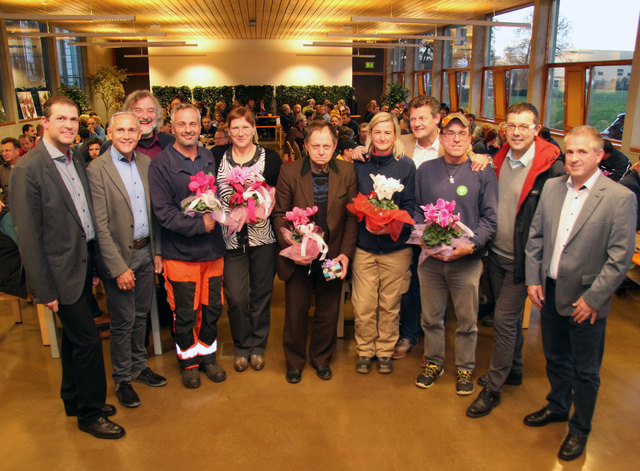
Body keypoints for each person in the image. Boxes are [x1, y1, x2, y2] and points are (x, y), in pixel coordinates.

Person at [10, 95, 125, 439]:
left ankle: (73, 398)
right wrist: (43, 290)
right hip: (59, 274)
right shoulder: (27, 170)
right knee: (89, 341)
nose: (68, 126)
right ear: (44, 122)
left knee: (74, 337)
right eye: (60, 119)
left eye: (73, 120)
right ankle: (91, 414)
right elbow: (28, 237)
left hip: (82, 262)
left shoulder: (74, 157)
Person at [524, 125, 636, 461]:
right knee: (555, 357)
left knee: (585, 371)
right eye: (569, 151)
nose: (573, 158)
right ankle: (557, 405)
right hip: (551, 291)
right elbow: (536, 238)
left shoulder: (619, 198)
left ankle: (579, 429)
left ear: (600, 155)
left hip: (587, 299)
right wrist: (533, 278)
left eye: (582, 152)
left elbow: (619, 259)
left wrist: (593, 299)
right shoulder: (553, 188)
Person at [466, 102, 564, 419]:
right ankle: (515, 370)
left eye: (525, 126)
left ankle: (493, 387)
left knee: (506, 322)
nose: (517, 132)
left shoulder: (551, 169)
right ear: (505, 128)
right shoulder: (499, 159)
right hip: (496, 255)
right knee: (503, 317)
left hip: (524, 262)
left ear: (536, 129)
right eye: (512, 125)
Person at [394, 96, 489, 360]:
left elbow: (473, 163)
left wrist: (484, 157)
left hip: (457, 240)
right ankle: (410, 334)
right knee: (412, 284)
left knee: (448, 295)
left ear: (437, 119)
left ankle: (446, 347)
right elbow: (375, 149)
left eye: (423, 117)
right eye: (412, 119)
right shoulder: (401, 143)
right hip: (415, 230)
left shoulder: (454, 144)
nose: (416, 123)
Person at [413, 113, 498, 395]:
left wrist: (472, 246)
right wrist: (424, 239)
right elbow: (415, 210)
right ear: (441, 135)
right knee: (431, 317)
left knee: (466, 320)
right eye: (450, 133)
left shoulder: (482, 171)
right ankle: (434, 362)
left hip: (467, 260)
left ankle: (465, 368)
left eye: (462, 133)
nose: (456, 138)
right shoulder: (425, 170)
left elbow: (490, 218)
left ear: (471, 137)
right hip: (431, 260)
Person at [87, 111, 167, 408]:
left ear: (139, 133)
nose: (126, 135)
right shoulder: (97, 169)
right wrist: (118, 267)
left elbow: (155, 213)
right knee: (123, 321)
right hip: (119, 256)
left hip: (146, 252)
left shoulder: (146, 163)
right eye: (120, 130)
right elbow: (100, 225)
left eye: (132, 130)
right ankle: (122, 378)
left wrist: (157, 251)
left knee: (142, 315)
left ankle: (138, 366)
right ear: (109, 132)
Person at [273, 120, 358, 383]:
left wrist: (345, 253)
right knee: (296, 311)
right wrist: (294, 247)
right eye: (316, 145)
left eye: (327, 146)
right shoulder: (289, 172)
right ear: (306, 146)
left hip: (331, 256)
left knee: (329, 310)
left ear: (334, 147)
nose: (321, 151)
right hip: (299, 257)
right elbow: (279, 214)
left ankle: (321, 358)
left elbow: (353, 217)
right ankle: (295, 361)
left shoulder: (346, 172)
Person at [149, 103, 226, 389]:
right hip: (180, 254)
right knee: (185, 312)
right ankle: (189, 362)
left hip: (213, 252)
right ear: (172, 127)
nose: (188, 129)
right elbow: (163, 212)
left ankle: (207, 355)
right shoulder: (161, 164)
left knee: (213, 307)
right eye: (181, 125)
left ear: (200, 125)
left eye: (192, 124)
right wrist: (199, 226)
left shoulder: (208, 157)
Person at [216, 107, 281, 372]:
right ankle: (241, 345)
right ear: (228, 131)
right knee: (237, 297)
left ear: (254, 129)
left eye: (246, 127)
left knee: (262, 295)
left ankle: (257, 347)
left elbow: (279, 194)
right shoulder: (216, 155)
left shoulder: (271, 157)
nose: (241, 132)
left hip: (263, 239)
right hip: (230, 241)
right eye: (235, 128)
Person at [351, 112, 415, 374]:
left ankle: (385, 350)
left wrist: (392, 223)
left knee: (390, 304)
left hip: (396, 249)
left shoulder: (406, 165)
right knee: (364, 304)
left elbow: (410, 205)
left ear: (395, 135)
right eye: (377, 132)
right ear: (368, 134)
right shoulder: (359, 163)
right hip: (364, 247)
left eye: (387, 132)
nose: (382, 137)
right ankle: (365, 350)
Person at [102, 90, 175, 159]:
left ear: (157, 114)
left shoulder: (171, 142)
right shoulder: (111, 146)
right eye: (138, 110)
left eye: (150, 111)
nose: (145, 116)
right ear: (128, 113)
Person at [0, 137, 21, 241]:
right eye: (2, 151)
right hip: (9, 211)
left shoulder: (28, 166)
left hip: (28, 209)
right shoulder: (1, 170)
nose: (4, 154)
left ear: (17, 151)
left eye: (7, 150)